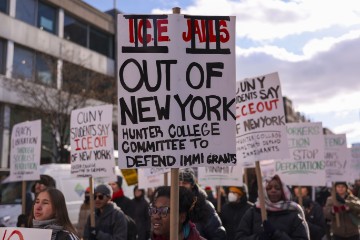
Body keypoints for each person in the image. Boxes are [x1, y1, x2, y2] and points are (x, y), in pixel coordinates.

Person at [235, 175, 309, 240]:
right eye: (269, 188)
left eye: (277, 188)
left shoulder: (293, 214)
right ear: (263, 191)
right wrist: (258, 238)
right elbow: (240, 237)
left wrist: (276, 234)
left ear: (283, 192)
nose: (273, 190)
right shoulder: (253, 212)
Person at [179, 168, 227, 240]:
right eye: (178, 183)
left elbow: (218, 235)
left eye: (184, 183)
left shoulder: (205, 206)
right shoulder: (170, 204)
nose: (181, 186)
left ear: (192, 185)